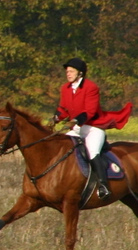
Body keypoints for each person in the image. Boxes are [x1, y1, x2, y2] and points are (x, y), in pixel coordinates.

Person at [55, 56, 131, 199]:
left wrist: (76, 120)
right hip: (77, 128)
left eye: (71, 71)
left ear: (80, 73)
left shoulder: (91, 87)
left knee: (92, 151)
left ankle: (103, 186)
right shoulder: (65, 88)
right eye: (67, 71)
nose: (68, 74)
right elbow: (63, 108)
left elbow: (90, 111)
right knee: (61, 148)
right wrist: (55, 118)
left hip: (93, 127)